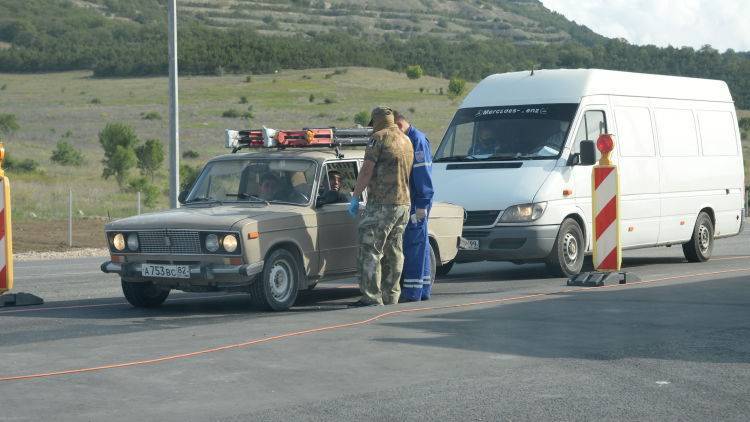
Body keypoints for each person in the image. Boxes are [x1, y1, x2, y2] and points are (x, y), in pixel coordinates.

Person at [348, 106, 414, 307]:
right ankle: (391, 295)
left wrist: (356, 195)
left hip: (382, 204)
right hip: (403, 203)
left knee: (370, 249)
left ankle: (371, 297)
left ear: (376, 122)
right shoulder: (406, 139)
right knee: (394, 251)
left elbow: (367, 170)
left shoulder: (378, 137)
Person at [395, 111, 435, 301]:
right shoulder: (410, 139)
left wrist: (422, 206)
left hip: (418, 201)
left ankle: (412, 293)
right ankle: (423, 289)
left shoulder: (416, 140)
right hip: (417, 200)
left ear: (398, 124)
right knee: (421, 245)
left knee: (414, 245)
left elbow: (423, 176)